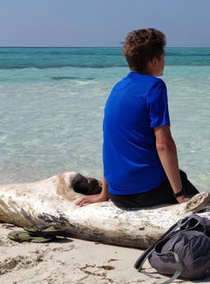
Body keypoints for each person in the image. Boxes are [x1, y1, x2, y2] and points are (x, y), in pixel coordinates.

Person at [75, 28, 199, 208]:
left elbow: (110, 142)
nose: (164, 61)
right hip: (146, 192)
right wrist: (179, 195)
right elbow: (164, 144)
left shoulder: (117, 88)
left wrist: (105, 193)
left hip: (118, 196)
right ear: (154, 61)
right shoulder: (154, 86)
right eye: (163, 57)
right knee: (187, 188)